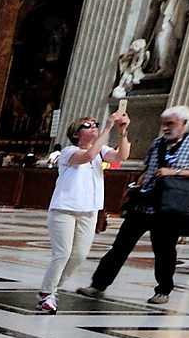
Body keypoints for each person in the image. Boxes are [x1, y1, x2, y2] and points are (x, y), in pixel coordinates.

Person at [81, 103, 189, 303]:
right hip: (145, 202)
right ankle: (98, 285)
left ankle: (163, 290)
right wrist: (136, 186)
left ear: (184, 123)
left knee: (164, 250)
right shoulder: (158, 142)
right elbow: (148, 170)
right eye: (164, 124)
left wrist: (175, 172)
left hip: (170, 207)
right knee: (120, 246)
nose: (166, 127)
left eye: (171, 123)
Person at [37, 110, 126, 313]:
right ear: (77, 134)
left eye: (95, 123)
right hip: (64, 209)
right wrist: (108, 127)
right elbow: (88, 155)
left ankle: (53, 288)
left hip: (89, 209)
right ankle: (46, 294)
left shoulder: (101, 150)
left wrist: (122, 131)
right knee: (63, 253)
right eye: (87, 125)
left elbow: (122, 155)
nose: (93, 126)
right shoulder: (68, 152)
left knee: (79, 255)